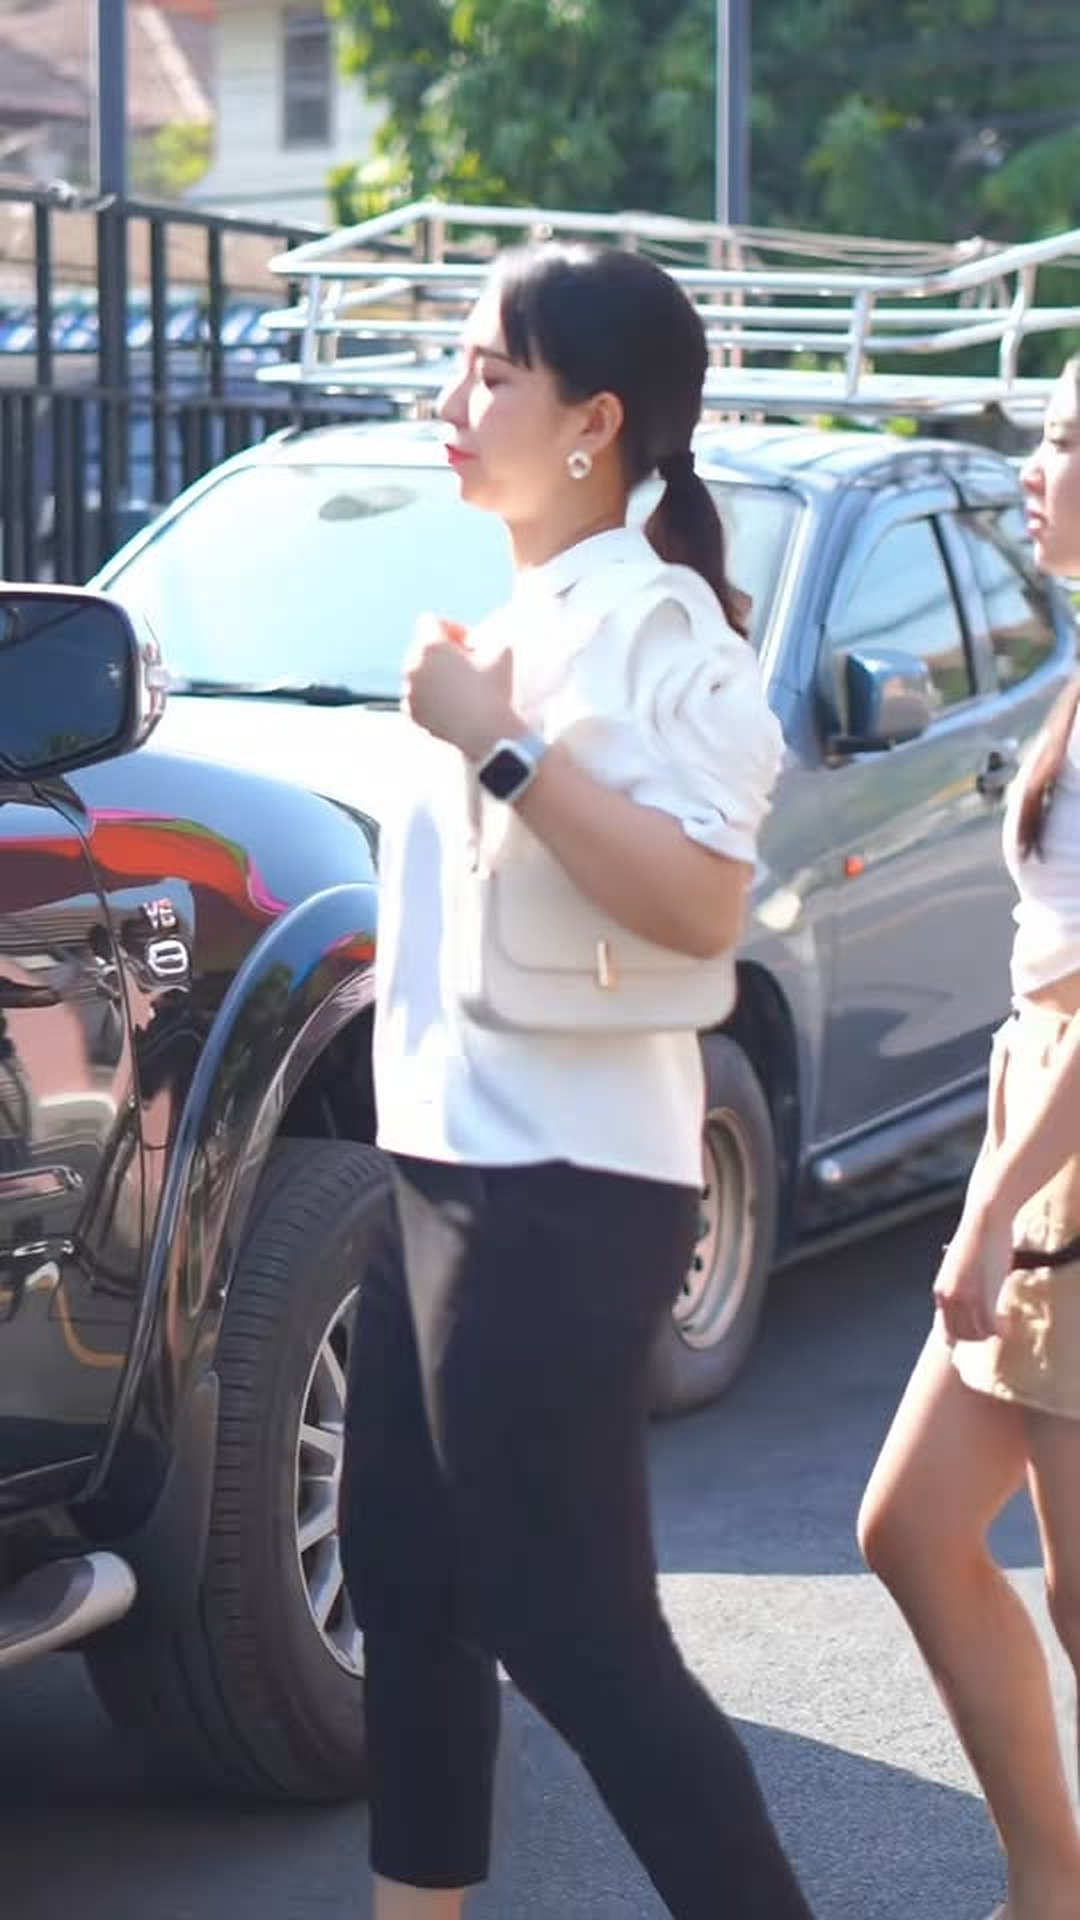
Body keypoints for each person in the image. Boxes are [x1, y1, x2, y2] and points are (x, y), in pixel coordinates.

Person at [338, 241, 815, 1920]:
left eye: (492, 372)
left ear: (596, 422)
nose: (452, 399)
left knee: (570, 1626)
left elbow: (701, 907)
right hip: (438, 1168)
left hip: (567, 1188)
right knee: (411, 1594)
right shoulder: (523, 619)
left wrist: (498, 739)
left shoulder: (653, 625)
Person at [858, 352, 1080, 1920]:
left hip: (1064, 1144)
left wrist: (994, 1208)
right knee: (918, 1527)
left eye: (1063, 440)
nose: (1031, 467)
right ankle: (1047, 1888)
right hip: (1041, 1117)